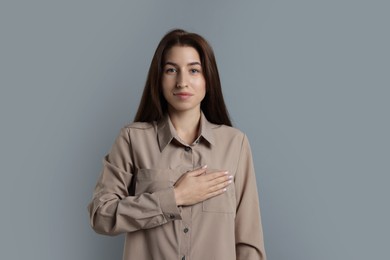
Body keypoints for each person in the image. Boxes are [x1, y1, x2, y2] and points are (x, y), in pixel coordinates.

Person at [88, 29, 266, 260]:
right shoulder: (132, 139)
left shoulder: (236, 144)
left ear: (208, 79)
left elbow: (249, 242)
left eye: (194, 70)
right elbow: (101, 215)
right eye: (171, 70)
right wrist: (175, 198)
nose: (182, 82)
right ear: (159, 79)